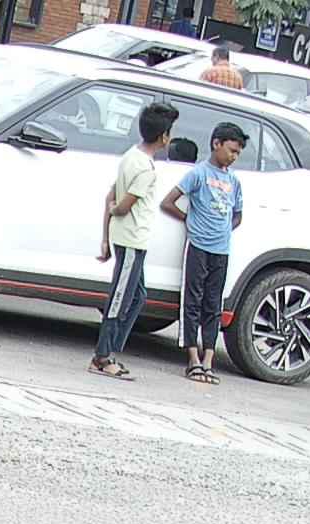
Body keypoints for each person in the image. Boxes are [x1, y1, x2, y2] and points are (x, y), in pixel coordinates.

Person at [93, 101, 179, 380]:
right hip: (131, 240)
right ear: (164, 136)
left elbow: (111, 195)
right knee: (120, 298)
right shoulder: (146, 170)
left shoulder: (131, 156)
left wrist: (105, 237)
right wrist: (114, 211)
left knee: (137, 295)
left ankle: (112, 349)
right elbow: (121, 204)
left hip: (130, 240)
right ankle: (103, 356)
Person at [161, 120, 249, 385]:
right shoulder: (198, 174)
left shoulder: (234, 181)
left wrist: (225, 230)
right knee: (193, 300)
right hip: (198, 246)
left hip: (221, 250)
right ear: (216, 144)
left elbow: (238, 215)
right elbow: (168, 202)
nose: (233, 157)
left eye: (238, 153)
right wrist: (190, 221)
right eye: (231, 150)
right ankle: (192, 358)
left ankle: (208, 358)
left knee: (213, 303)